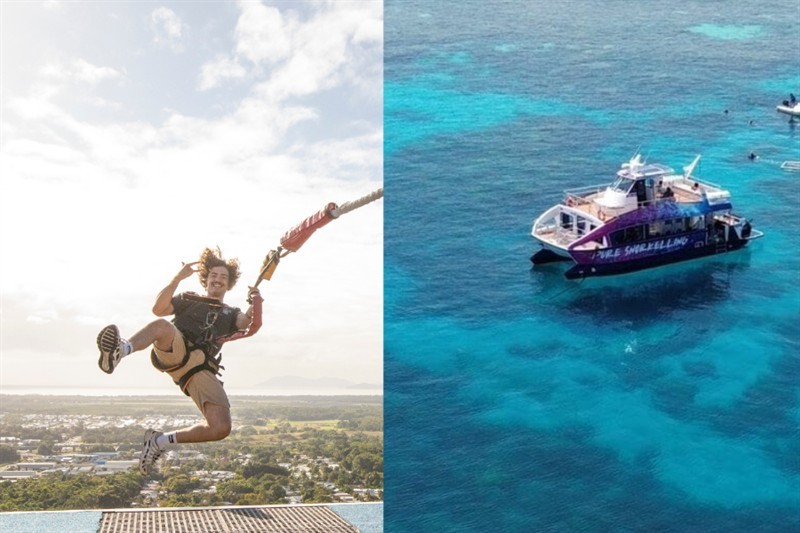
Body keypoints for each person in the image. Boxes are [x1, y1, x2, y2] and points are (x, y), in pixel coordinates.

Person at [96, 247, 263, 475]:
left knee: (220, 427)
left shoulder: (230, 313)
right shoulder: (189, 298)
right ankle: (121, 349)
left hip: (200, 368)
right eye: (214, 275)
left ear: (229, 283)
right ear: (206, 279)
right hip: (177, 348)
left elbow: (247, 324)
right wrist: (177, 279)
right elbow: (158, 309)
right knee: (163, 326)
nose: (218, 280)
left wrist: (255, 301)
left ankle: (160, 441)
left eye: (224, 277)